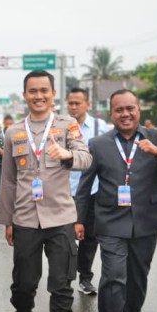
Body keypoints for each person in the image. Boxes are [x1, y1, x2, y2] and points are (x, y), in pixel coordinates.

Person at [75, 90, 157, 312]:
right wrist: (78, 220)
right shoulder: (98, 144)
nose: (125, 114)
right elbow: (85, 185)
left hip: (148, 220)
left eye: (130, 109)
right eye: (119, 110)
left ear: (139, 111)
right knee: (113, 277)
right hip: (110, 220)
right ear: (111, 114)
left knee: (137, 278)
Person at [0, 71, 91, 312]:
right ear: (24, 95)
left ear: (53, 94)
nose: (39, 96)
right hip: (25, 219)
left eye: (44, 91)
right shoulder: (13, 132)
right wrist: (7, 220)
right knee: (23, 285)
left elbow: (85, 158)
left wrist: (67, 155)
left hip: (61, 218)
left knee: (62, 285)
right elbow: (8, 180)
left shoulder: (67, 126)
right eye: (33, 91)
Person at [66, 87, 109, 296]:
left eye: (78, 103)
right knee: (64, 236)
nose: (73, 107)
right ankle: (65, 277)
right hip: (65, 191)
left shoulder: (101, 127)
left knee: (90, 237)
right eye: (70, 103)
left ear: (87, 104)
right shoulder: (61, 126)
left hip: (93, 191)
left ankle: (85, 277)